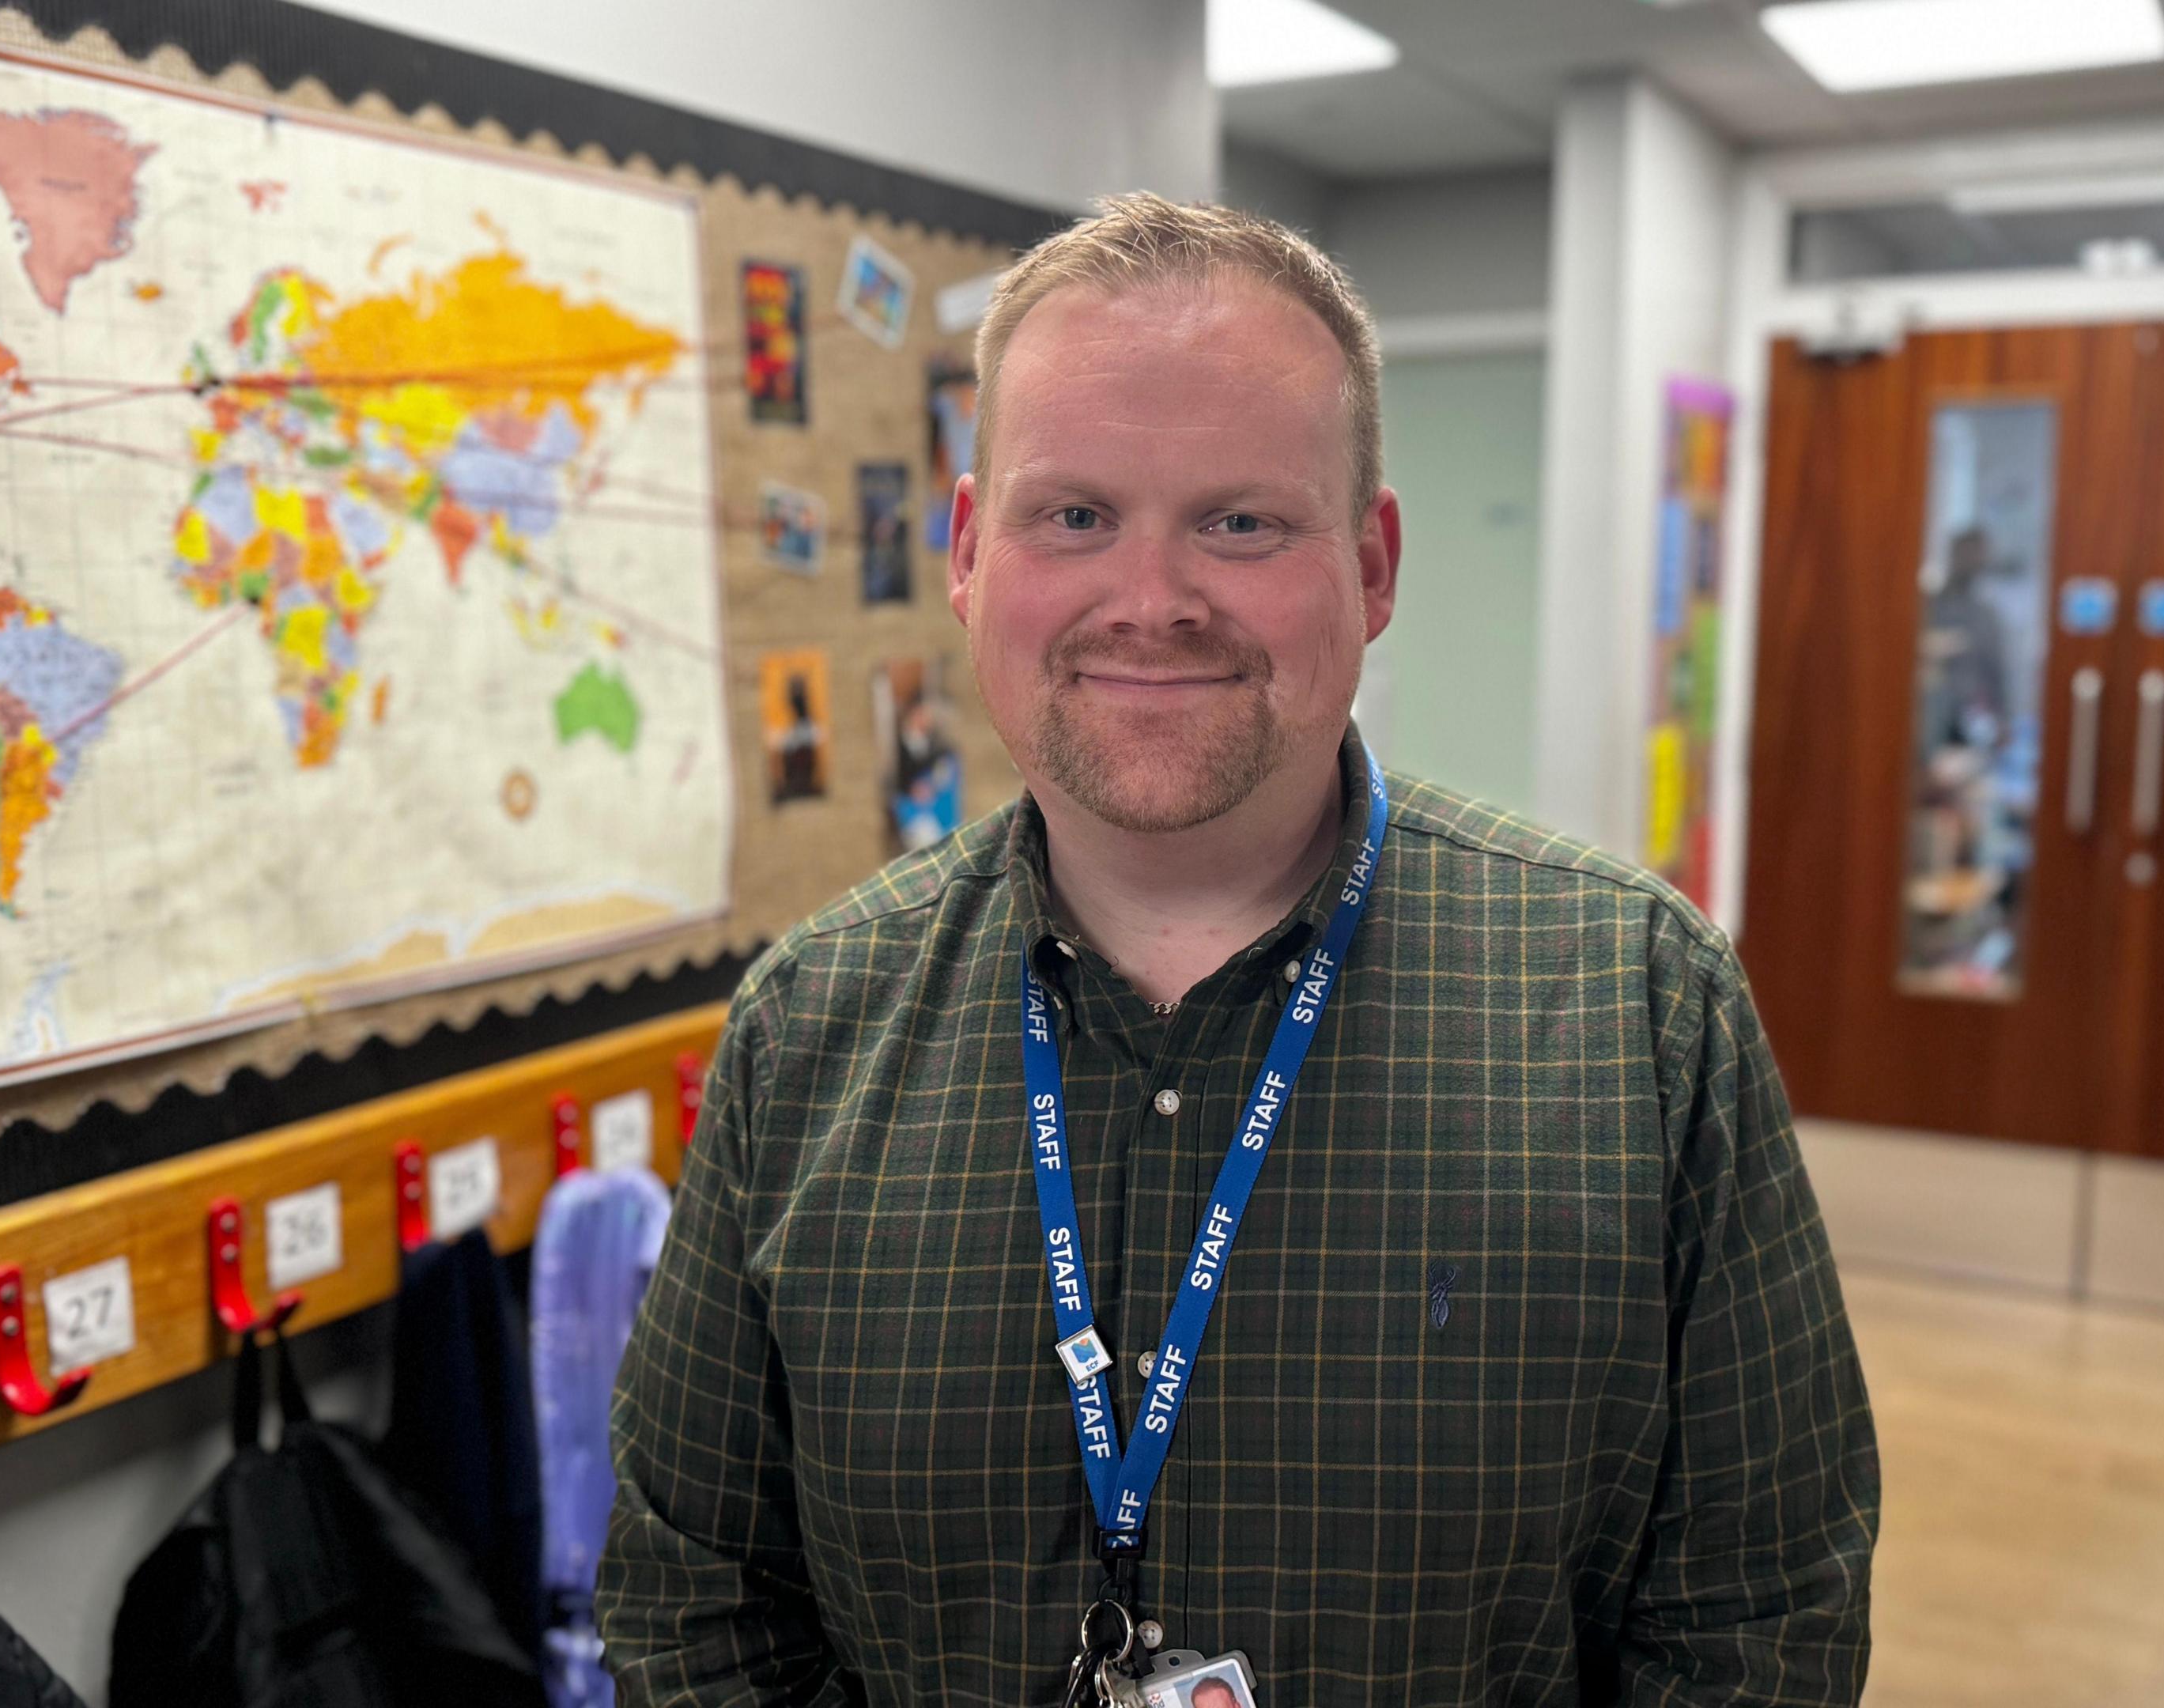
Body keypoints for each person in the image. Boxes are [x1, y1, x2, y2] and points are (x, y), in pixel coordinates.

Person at [599, 193, 1879, 1705]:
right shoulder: (804, 1033)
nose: (1153, 603)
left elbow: (1764, 1620)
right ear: (964, 551)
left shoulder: (1640, 1012)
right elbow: (695, 1608)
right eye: (1074, 516)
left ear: (1374, 565)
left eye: (1242, 521)